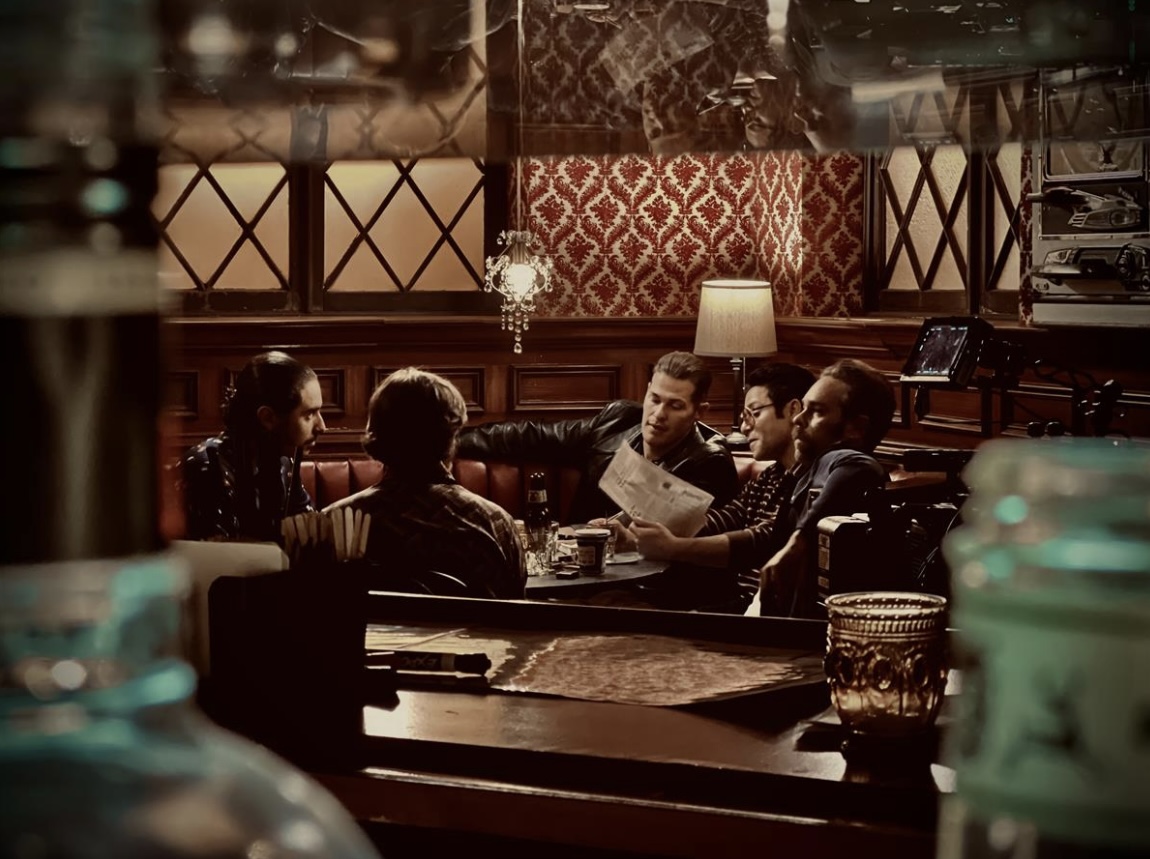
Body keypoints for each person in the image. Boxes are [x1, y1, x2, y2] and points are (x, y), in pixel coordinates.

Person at [455, 351, 740, 525]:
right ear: (647, 391)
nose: (659, 414)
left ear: (699, 412)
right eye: (654, 399)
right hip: (581, 570)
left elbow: (680, 548)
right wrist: (448, 441)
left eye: (675, 406)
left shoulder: (709, 461)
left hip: (650, 588)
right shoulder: (617, 422)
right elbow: (531, 435)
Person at [325, 367, 526, 600]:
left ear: (377, 433)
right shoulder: (494, 522)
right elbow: (516, 612)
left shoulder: (335, 523)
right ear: (450, 437)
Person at [631, 362, 817, 612]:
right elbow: (726, 518)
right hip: (739, 605)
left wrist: (671, 548)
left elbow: (761, 540)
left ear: (793, 410)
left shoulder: (813, 479)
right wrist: (641, 531)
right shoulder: (772, 475)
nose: (745, 427)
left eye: (754, 413)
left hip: (768, 617)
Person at [754, 358, 897, 617]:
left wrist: (798, 542)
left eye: (817, 411)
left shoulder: (842, 460)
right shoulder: (810, 468)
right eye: (803, 408)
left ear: (856, 428)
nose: (798, 419)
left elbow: (860, 466)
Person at [180, 350, 325, 542]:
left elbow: (306, 529)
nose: (322, 426)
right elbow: (217, 555)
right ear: (268, 418)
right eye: (309, 414)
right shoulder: (206, 468)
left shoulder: (284, 460)